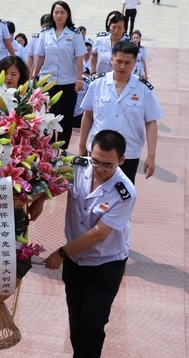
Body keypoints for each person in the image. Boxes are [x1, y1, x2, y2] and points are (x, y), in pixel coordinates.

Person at [43, 130, 136, 358]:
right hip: (76, 263)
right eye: (95, 160)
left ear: (121, 160)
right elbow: (54, 183)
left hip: (106, 264)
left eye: (107, 165)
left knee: (92, 324)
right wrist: (40, 201)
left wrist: (61, 253)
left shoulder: (125, 193)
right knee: (76, 323)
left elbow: (97, 234)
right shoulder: (78, 166)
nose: (99, 168)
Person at [79, 41, 163, 184]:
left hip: (128, 154)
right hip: (97, 152)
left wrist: (151, 156)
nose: (122, 66)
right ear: (111, 59)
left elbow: (151, 122)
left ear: (135, 62)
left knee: (121, 197)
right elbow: (88, 115)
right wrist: (81, 146)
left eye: (127, 62)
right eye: (119, 61)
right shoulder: (97, 84)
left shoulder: (144, 89)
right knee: (92, 190)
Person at [33, 1, 86, 152]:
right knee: (46, 116)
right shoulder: (45, 34)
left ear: (67, 14)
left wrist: (79, 78)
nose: (59, 15)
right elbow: (40, 56)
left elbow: (79, 57)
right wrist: (34, 76)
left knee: (65, 118)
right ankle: (46, 149)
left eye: (62, 12)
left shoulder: (74, 34)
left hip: (67, 82)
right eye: (56, 12)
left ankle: (61, 150)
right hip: (47, 82)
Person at [91, 11, 129, 76]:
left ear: (124, 29)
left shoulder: (129, 44)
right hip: (100, 77)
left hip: (119, 79)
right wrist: (93, 72)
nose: (116, 30)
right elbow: (93, 55)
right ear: (109, 27)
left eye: (119, 28)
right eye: (114, 27)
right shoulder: (100, 40)